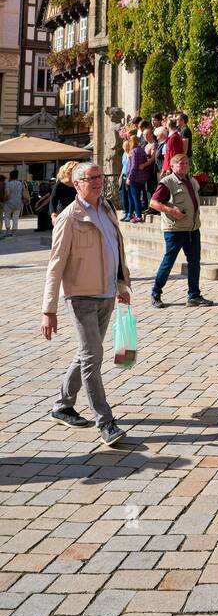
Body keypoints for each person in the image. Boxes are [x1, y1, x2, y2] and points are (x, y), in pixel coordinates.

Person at [40, 162, 132, 445]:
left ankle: (62, 405)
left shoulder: (107, 208)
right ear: (76, 184)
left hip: (106, 293)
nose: (96, 182)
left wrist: (121, 284)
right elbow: (55, 265)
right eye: (89, 178)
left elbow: (115, 248)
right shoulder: (69, 217)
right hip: (80, 297)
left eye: (98, 177)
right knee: (93, 357)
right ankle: (105, 421)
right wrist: (49, 310)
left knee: (86, 354)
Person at [148, 153, 214, 308]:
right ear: (172, 166)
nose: (184, 166)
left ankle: (194, 296)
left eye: (186, 163)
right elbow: (153, 203)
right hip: (175, 229)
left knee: (194, 262)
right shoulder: (167, 182)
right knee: (168, 261)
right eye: (180, 163)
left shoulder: (191, 181)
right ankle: (155, 293)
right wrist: (171, 211)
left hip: (192, 229)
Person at [126, 136, 149, 222]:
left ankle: (138, 216)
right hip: (142, 178)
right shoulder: (142, 150)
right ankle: (138, 214)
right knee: (139, 197)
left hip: (135, 178)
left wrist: (129, 177)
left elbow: (133, 166)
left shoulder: (134, 151)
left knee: (136, 198)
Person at [2, 169, 25, 234]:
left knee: (7, 216)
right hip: (18, 202)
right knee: (15, 217)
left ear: (10, 176)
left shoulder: (8, 184)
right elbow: (22, 193)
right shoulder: (20, 184)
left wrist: (4, 200)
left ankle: (8, 230)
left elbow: (7, 194)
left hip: (9, 202)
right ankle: (14, 231)